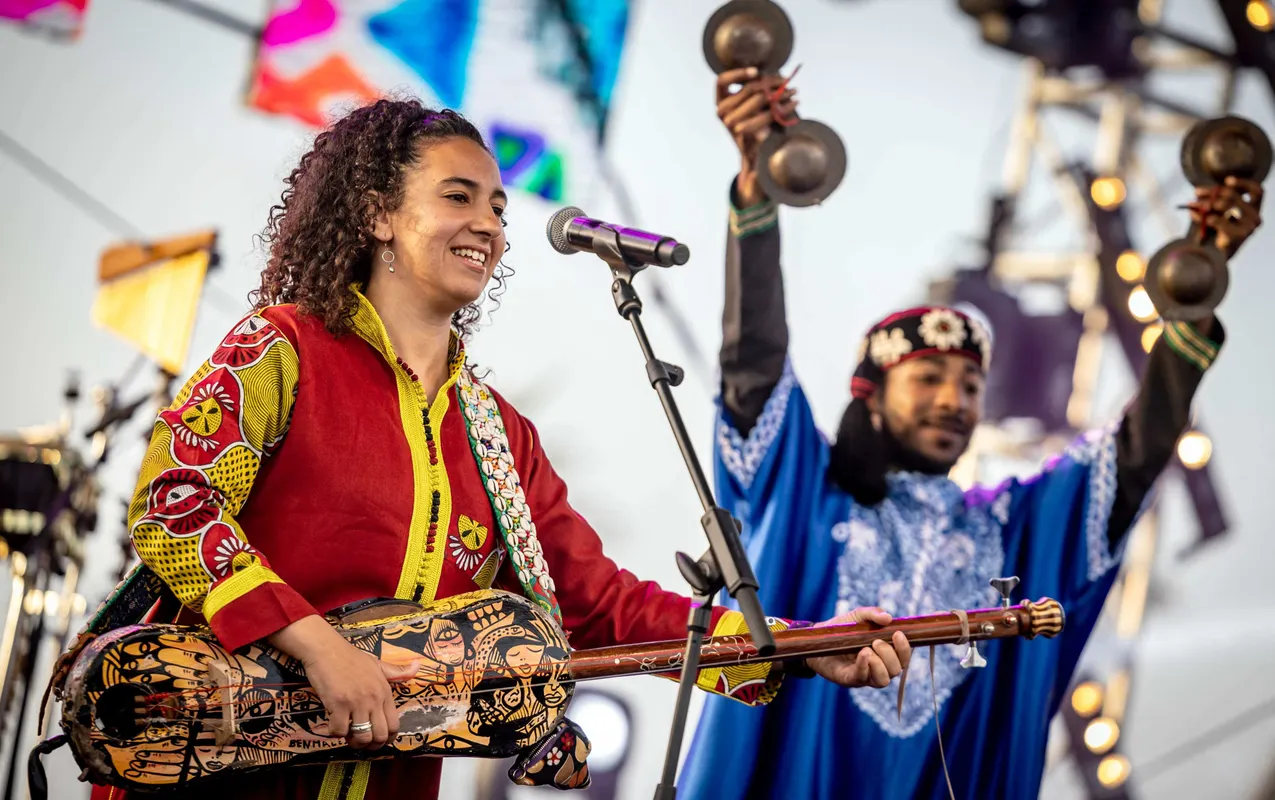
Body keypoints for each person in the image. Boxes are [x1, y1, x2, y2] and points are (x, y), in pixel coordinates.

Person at [84, 98, 912, 800]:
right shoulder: (284, 348)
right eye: (458, 197)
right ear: (377, 213)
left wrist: (798, 647)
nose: (487, 222)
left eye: (497, 207)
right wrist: (319, 648)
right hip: (211, 765)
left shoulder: (499, 435)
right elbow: (173, 506)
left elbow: (597, 603)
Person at [679, 68, 1263, 800]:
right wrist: (756, 195)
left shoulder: (1011, 527)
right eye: (928, 379)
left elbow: (1136, 456)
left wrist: (1192, 295)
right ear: (871, 392)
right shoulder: (802, 490)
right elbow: (753, 363)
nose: (954, 400)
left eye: (970, 386)